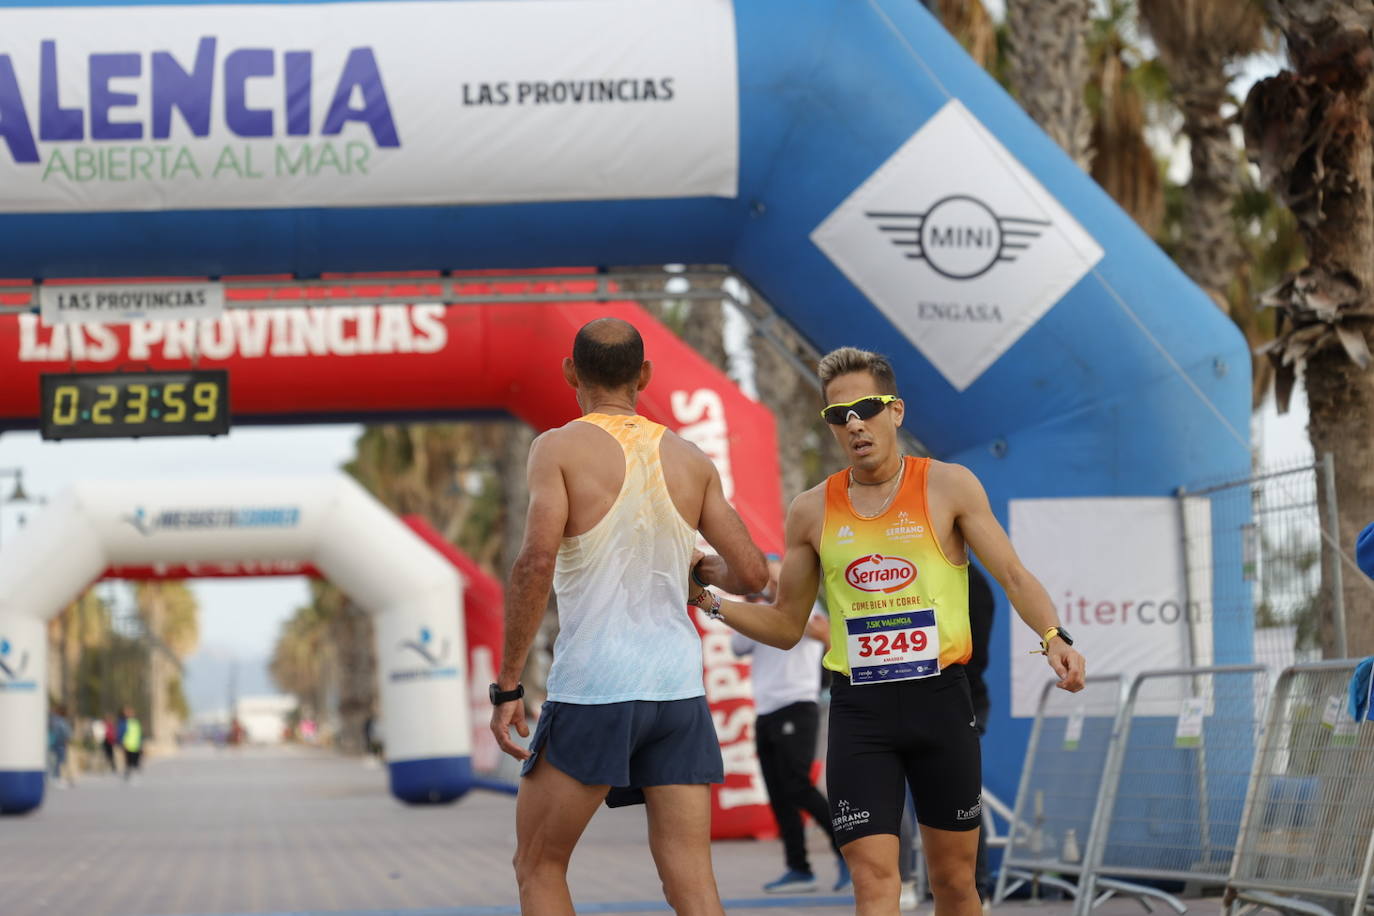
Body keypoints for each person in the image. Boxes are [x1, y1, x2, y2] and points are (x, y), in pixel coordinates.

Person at [689, 346, 1087, 916]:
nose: (854, 424)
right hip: (861, 714)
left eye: (867, 408)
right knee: (874, 881)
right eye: (838, 415)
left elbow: (1015, 576)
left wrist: (1054, 636)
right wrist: (707, 599)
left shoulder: (948, 486)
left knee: (953, 883)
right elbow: (783, 626)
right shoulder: (810, 511)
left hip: (940, 704)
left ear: (895, 410)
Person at [490, 317, 768, 916]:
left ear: (571, 373)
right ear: (644, 375)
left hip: (597, 689)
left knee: (538, 866)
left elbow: (535, 562)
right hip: (676, 692)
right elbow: (752, 575)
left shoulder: (558, 447)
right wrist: (698, 576)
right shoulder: (690, 458)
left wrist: (508, 685)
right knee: (691, 882)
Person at [731, 556, 849, 894]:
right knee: (779, 794)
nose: (766, 583)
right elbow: (738, 647)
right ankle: (799, 869)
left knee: (799, 786)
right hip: (765, 709)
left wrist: (774, 598)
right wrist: (751, 604)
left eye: (772, 578)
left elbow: (820, 633)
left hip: (797, 705)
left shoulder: (806, 606)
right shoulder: (756, 610)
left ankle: (846, 854)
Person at [48, 704, 73, 788]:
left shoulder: (54, 719)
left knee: (56, 761)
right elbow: (66, 733)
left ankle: (56, 778)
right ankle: (57, 778)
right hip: (59, 744)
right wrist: (67, 739)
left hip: (54, 743)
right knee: (59, 762)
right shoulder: (60, 721)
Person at [120, 706, 143, 781]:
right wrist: (121, 742)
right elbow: (121, 733)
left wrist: (141, 743)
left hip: (136, 745)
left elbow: (139, 734)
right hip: (128, 745)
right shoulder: (124, 722)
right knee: (128, 762)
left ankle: (134, 776)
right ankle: (128, 775)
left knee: (135, 762)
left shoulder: (136, 722)